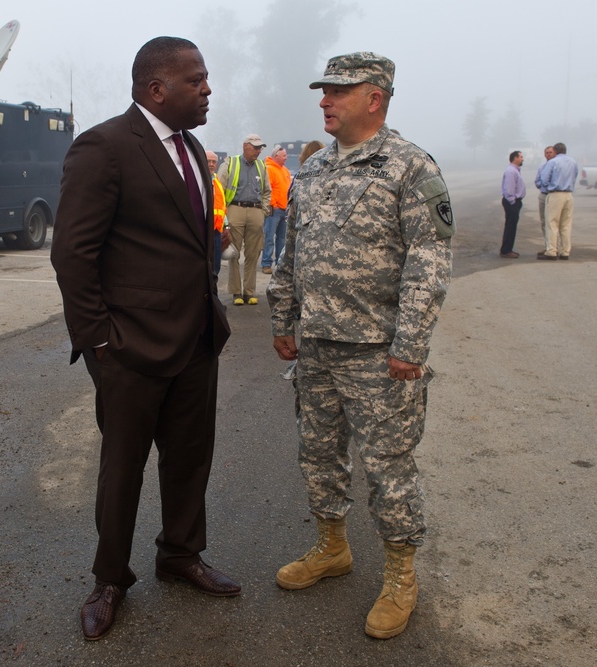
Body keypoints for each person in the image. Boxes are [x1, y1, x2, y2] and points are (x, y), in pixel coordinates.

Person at [51, 36, 238, 642]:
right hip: (130, 347)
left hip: (195, 341)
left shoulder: (192, 148)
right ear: (158, 89)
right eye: (198, 80)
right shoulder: (104, 147)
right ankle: (110, 578)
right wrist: (98, 343)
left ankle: (180, 554)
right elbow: (72, 253)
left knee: (189, 459)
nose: (208, 89)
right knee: (122, 468)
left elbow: (188, 240)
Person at [266, 52, 454, 640]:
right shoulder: (315, 169)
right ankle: (332, 548)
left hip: (379, 352)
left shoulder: (408, 166)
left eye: (338, 92)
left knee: (388, 466)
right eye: (324, 90)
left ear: (375, 98)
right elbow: (291, 252)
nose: (325, 100)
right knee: (319, 453)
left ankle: (401, 574)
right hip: (318, 345)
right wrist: (283, 318)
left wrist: (411, 344)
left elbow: (429, 261)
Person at [217, 134, 271, 305]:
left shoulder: (262, 166)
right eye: (255, 147)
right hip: (235, 209)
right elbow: (220, 189)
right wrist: (225, 217)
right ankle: (236, 292)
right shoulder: (230, 164)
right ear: (245, 146)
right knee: (233, 252)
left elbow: (267, 191)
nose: (258, 151)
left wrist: (262, 211)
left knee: (253, 254)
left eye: (260, 147)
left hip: (255, 211)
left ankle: (249, 291)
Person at [536, 142, 578, 260]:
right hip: (568, 194)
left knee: (552, 223)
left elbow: (544, 179)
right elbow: (575, 176)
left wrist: (551, 186)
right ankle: (565, 251)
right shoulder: (573, 161)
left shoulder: (553, 162)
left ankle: (551, 251)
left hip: (555, 193)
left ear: (555, 151)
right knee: (566, 224)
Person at [262, 145, 292, 274]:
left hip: (284, 210)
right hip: (274, 210)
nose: (286, 158)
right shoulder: (269, 169)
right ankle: (266, 263)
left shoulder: (285, 170)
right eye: (284, 156)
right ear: (276, 156)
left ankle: (280, 264)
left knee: (281, 239)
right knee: (269, 237)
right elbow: (267, 189)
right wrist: (272, 204)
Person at [499, 150, 526, 258]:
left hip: (514, 202)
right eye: (521, 157)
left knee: (511, 226)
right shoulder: (511, 171)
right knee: (510, 227)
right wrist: (513, 201)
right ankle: (506, 250)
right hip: (512, 202)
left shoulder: (515, 170)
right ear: (515, 158)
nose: (522, 159)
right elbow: (508, 189)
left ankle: (507, 249)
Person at [206, 150, 227, 277]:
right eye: (209, 161)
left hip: (217, 229)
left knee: (216, 265)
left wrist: (226, 226)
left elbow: (222, 205)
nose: (212, 164)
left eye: (214, 162)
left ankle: (214, 291)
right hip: (204, 228)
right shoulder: (199, 179)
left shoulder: (216, 180)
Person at [534, 145, 555, 245]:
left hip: (554, 195)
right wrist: (543, 184)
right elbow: (537, 181)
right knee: (544, 221)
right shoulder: (542, 167)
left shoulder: (557, 166)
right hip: (543, 195)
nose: (548, 154)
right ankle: (547, 246)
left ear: (555, 153)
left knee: (553, 222)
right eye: (547, 153)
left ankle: (555, 246)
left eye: (550, 152)